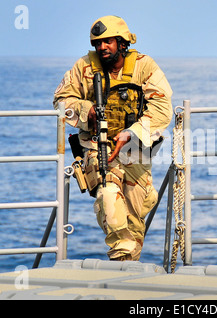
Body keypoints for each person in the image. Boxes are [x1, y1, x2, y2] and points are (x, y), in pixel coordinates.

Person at [53, 15, 173, 261]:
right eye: (98, 43)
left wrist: (132, 132)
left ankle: (128, 271)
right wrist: (87, 114)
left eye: (107, 42)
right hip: (98, 148)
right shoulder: (84, 67)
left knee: (135, 217)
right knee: (108, 196)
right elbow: (61, 102)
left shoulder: (144, 66)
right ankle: (121, 261)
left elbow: (162, 108)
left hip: (135, 150)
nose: (102, 48)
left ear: (121, 41)